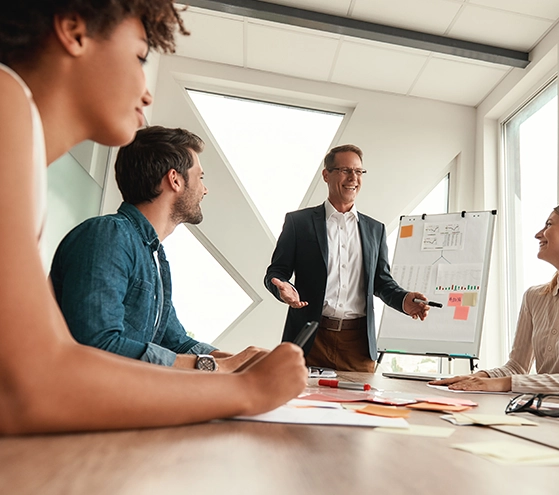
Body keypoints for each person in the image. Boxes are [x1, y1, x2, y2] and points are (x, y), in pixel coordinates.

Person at [0, 1, 306, 435]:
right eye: (140, 56)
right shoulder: (6, 99)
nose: (147, 93)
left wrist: (230, 366)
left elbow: (57, 359)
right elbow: (32, 384)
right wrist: (247, 389)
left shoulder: (26, 157)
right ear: (74, 31)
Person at [50, 126, 263, 372]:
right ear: (175, 179)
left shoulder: (153, 255)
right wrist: (214, 367)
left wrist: (243, 362)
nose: (205, 189)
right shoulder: (108, 235)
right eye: (200, 177)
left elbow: (176, 342)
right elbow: (98, 346)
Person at [431, 203, 559, 393]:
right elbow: (517, 366)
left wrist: (503, 383)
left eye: (548, 224)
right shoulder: (534, 296)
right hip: (540, 409)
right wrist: (477, 378)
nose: (538, 234)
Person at [264, 144, 430, 372]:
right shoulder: (299, 223)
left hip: (358, 345)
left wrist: (403, 300)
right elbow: (276, 272)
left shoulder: (375, 229)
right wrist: (282, 288)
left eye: (359, 171)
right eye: (345, 170)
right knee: (300, 406)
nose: (353, 177)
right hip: (311, 339)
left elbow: (381, 282)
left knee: (360, 407)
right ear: (326, 174)